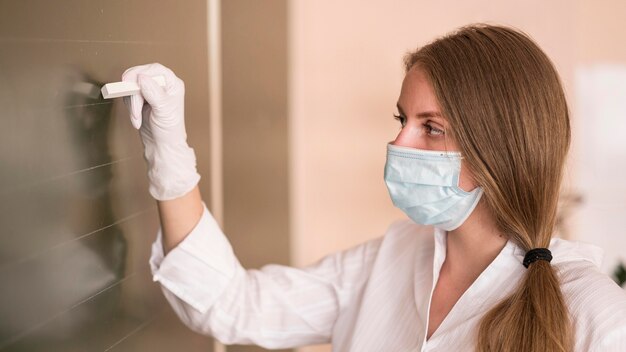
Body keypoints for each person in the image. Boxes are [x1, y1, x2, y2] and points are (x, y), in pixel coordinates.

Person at [121, 24, 626, 351]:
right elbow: (233, 304)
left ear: (499, 151)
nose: (398, 141)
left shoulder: (595, 317)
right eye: (401, 119)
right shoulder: (389, 259)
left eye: (430, 127)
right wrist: (167, 148)